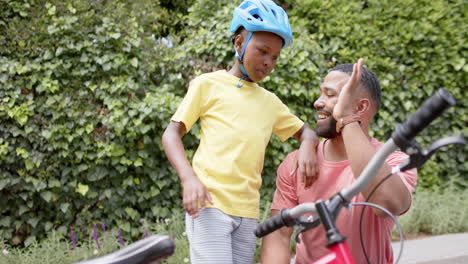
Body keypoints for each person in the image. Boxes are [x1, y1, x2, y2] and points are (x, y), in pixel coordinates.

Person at [162, 1, 319, 263]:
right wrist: (188, 178)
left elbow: (307, 133)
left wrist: (306, 147)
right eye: (262, 51)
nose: (268, 62)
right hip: (209, 204)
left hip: (248, 211)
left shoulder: (270, 102)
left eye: (275, 57)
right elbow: (171, 134)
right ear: (238, 43)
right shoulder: (207, 84)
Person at [260, 59, 418, 264]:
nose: (317, 102)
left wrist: (347, 118)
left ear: (360, 107)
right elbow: (278, 235)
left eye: (331, 95)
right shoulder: (296, 162)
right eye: (321, 93)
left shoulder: (393, 160)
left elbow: (388, 204)